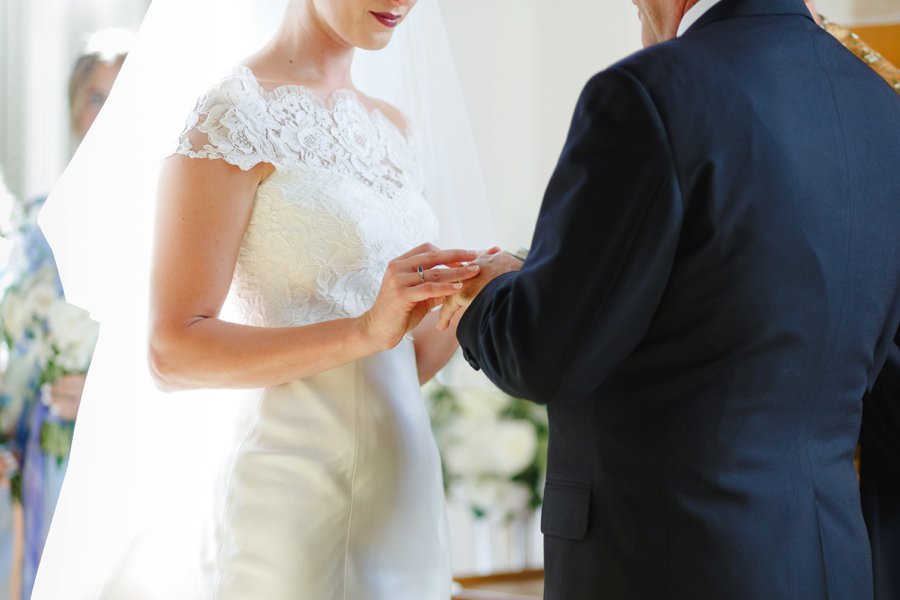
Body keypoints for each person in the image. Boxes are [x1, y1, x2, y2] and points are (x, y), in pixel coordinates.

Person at [440, 0, 900, 598]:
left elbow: (542, 350)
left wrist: (491, 289)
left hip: (666, 562)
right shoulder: (880, 108)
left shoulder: (647, 92)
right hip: (831, 560)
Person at [33, 0, 492, 598]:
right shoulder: (233, 117)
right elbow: (172, 350)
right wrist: (363, 329)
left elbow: (400, 359)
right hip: (289, 499)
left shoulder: (392, 128)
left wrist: (471, 295)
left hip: (402, 491)